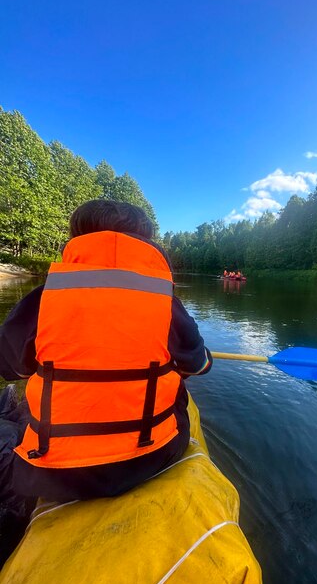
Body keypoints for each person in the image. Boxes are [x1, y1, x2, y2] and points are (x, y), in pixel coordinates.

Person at [0, 199, 212, 502]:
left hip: (55, 470)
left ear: (77, 240)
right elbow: (199, 365)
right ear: (146, 244)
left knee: (19, 408)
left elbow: (11, 368)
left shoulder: (43, 298)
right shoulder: (165, 301)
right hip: (153, 455)